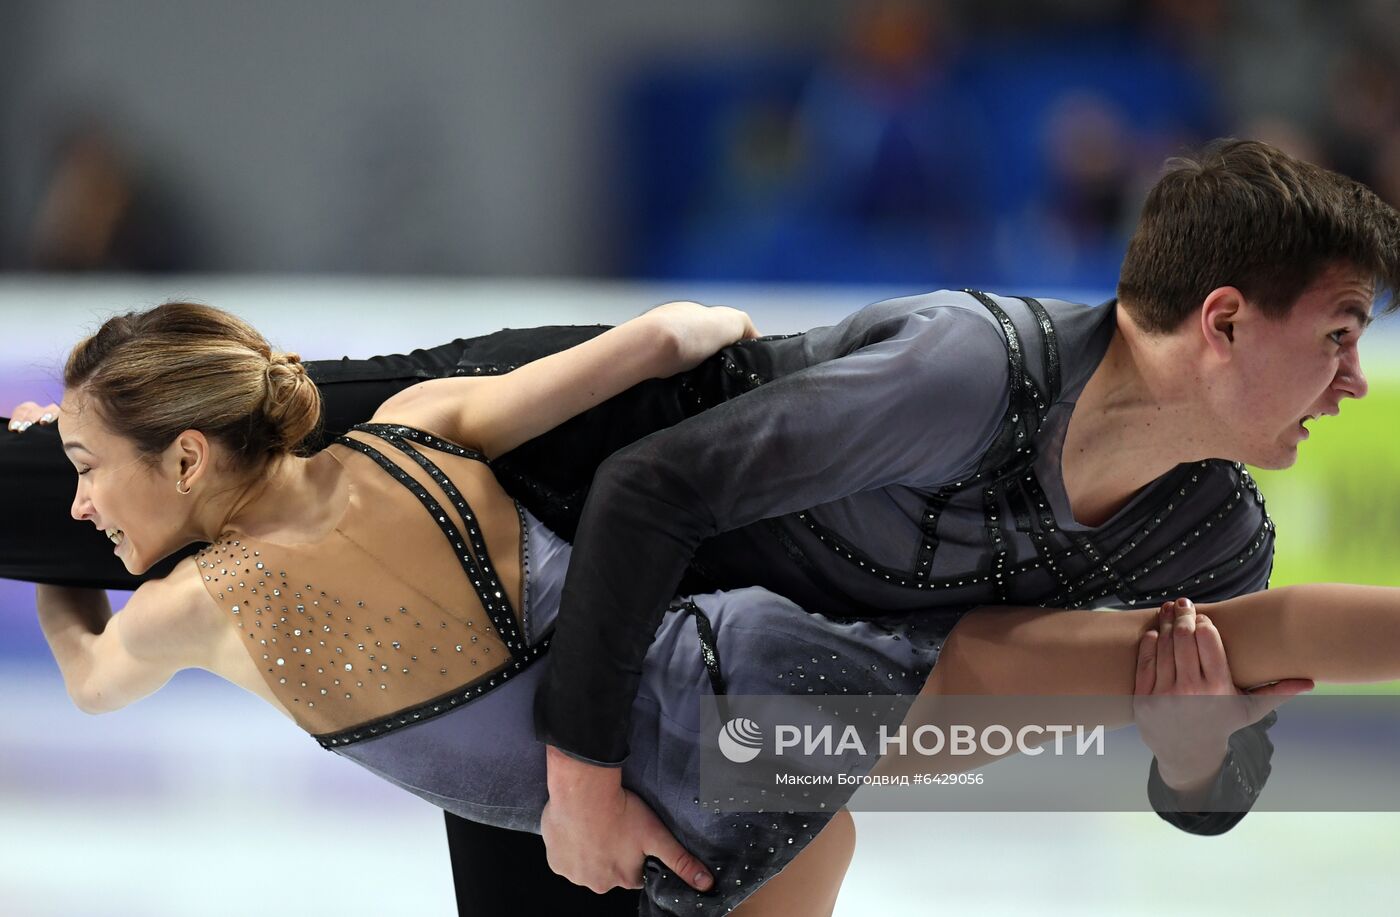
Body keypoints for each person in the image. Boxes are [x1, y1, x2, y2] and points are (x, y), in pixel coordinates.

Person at [24, 297, 1400, 915]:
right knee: (1218, 648)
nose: (84, 499)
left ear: (190, 456)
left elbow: (89, 675)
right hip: (748, 666)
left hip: (699, 785)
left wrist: (45, 546)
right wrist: (694, 337)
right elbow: (662, 340)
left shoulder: (196, 603)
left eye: (88, 473)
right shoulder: (423, 427)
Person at [531, 138, 1400, 889]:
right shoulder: (971, 373)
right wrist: (583, 783)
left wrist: (1192, 753)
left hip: (716, 725)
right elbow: (648, 486)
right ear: (1226, 322)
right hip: (546, 583)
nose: (1356, 378)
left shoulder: (1215, 536)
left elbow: (1219, 788)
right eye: (1337, 334)